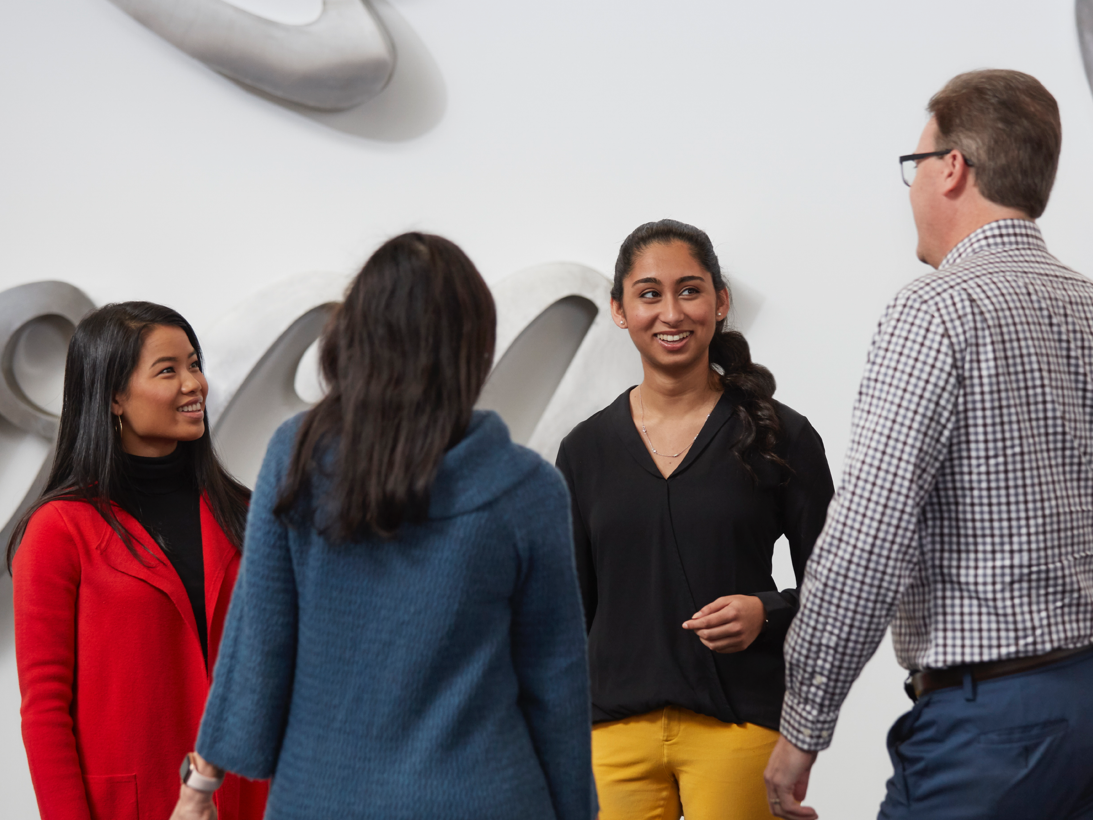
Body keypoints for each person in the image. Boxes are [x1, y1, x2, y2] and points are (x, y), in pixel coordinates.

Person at [169, 233, 595, 820]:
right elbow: (556, 682)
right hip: (485, 797)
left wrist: (201, 786)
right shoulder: (527, 487)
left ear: (357, 335)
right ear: (472, 346)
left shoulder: (296, 454)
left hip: (322, 799)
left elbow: (259, 636)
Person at [763, 70, 1093, 820]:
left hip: (992, 729)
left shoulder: (935, 312)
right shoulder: (1088, 308)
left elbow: (867, 535)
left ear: (952, 168)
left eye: (914, 166)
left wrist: (802, 724)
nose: (909, 188)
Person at [555, 219, 834, 820]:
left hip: (739, 726)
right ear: (619, 309)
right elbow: (570, 611)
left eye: (690, 289)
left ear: (720, 300)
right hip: (610, 737)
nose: (671, 312)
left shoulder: (782, 433)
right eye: (649, 293)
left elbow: (839, 587)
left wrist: (768, 610)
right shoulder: (584, 450)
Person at [9, 302, 268, 820]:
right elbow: (45, 712)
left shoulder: (246, 512)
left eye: (194, 364)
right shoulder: (59, 530)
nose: (194, 384)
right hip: (132, 805)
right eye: (168, 370)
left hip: (252, 799)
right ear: (114, 397)